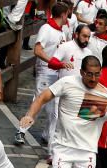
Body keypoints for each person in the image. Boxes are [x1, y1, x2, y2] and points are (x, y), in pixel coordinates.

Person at [16, 2, 71, 147]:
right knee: (39, 103)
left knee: (55, 110)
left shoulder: (61, 32)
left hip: (57, 74)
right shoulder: (46, 29)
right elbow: (38, 50)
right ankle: (21, 130)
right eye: (67, 14)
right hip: (46, 72)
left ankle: (48, 135)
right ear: (63, 14)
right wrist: (53, 62)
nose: (68, 17)